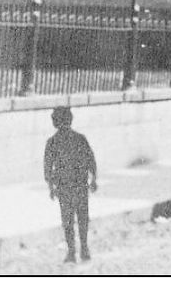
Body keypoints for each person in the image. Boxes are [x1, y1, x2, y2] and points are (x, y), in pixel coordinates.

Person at [44, 107, 98, 263]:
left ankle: (72, 252)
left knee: (67, 220)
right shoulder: (80, 138)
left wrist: (51, 187)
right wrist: (94, 179)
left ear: (55, 122)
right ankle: (84, 249)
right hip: (80, 185)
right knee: (82, 218)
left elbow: (47, 168)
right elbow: (91, 159)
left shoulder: (52, 142)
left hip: (64, 187)